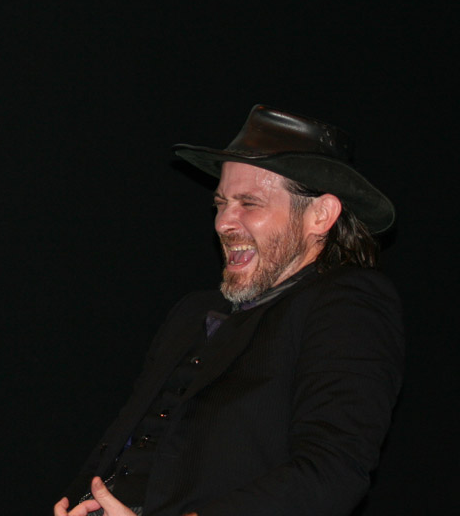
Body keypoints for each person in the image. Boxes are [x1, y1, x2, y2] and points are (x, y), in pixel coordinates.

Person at [54, 105, 404, 516]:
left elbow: (332, 469)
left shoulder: (346, 303)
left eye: (249, 203)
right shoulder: (194, 312)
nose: (223, 222)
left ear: (320, 215)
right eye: (221, 203)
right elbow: (125, 441)